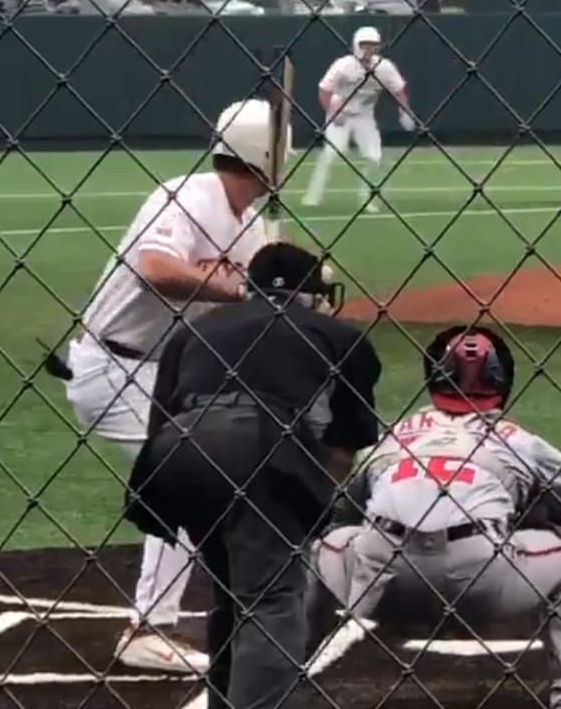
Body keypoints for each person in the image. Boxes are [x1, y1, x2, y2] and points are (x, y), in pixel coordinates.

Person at [49, 98, 285, 673]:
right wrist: (242, 292)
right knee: (190, 480)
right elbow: (155, 269)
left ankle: (239, 594)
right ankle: (147, 629)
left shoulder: (252, 224)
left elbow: (260, 296)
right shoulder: (186, 195)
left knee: (224, 472)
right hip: (110, 367)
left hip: (164, 373)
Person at [123, 241, 382, 709]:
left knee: (234, 592)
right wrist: (309, 505)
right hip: (256, 445)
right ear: (310, 294)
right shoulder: (338, 336)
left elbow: (161, 420)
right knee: (273, 599)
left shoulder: (196, 329)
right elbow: (345, 445)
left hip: (175, 457)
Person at [310, 326, 561, 709]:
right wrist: (531, 516)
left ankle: (277, 676)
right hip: (480, 585)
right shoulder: (519, 441)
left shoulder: (394, 437)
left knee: (311, 548)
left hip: (383, 589)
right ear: (503, 380)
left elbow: (338, 514)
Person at [302, 25, 417, 213]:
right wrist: (332, 112)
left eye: (373, 45)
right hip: (340, 114)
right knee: (331, 154)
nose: (369, 49)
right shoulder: (343, 65)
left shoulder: (384, 67)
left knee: (374, 158)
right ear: (356, 45)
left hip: (364, 116)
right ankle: (313, 196)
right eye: (365, 45)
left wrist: (405, 111)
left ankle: (367, 199)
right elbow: (324, 91)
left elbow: (398, 90)